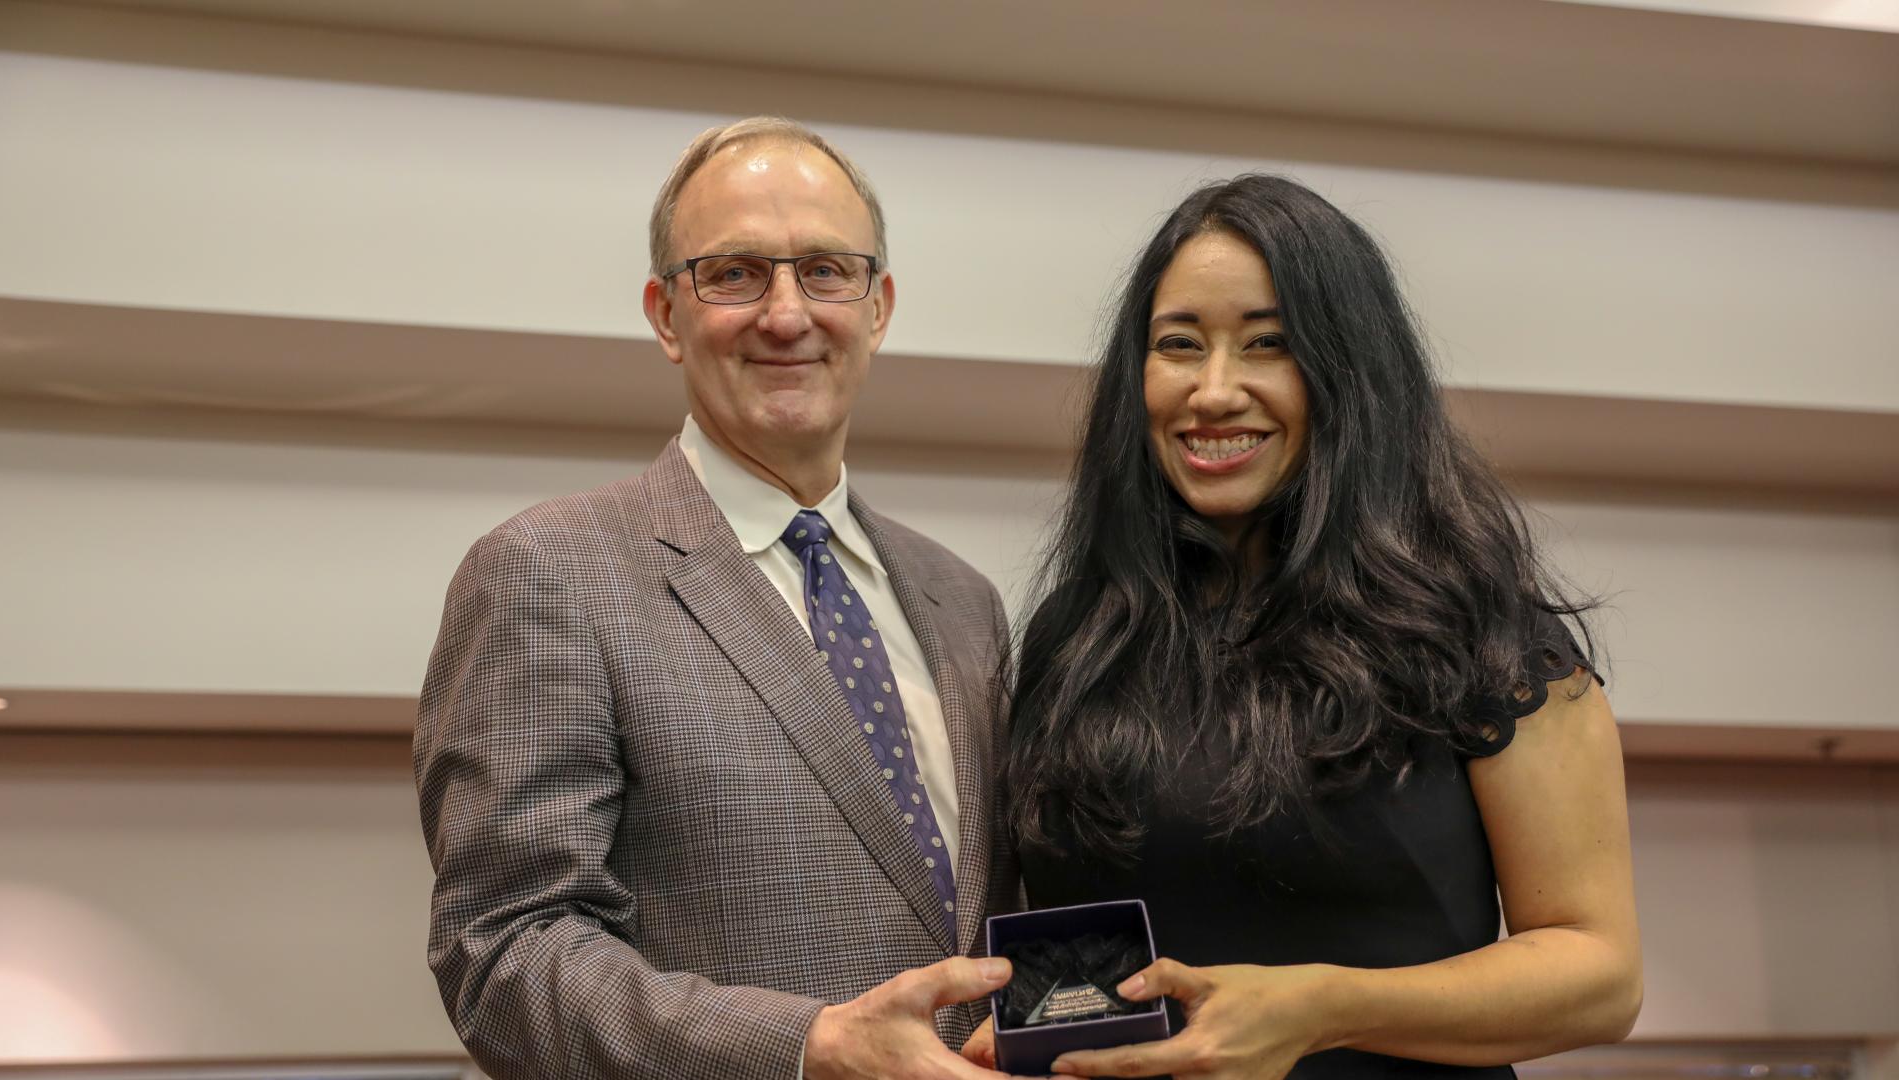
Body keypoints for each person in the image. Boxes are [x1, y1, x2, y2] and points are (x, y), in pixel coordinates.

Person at [965, 174, 1642, 1078]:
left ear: (1346, 372)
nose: (1212, 391)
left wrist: (1322, 1008)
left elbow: (1600, 976)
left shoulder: (1480, 630)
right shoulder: (1081, 640)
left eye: (1268, 345)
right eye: (1178, 345)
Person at [414, 117, 1020, 1080]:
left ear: (879, 307)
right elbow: (504, 954)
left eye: (825, 270)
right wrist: (808, 1048)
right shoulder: (546, 573)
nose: (787, 314)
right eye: (735, 274)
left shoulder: (965, 602)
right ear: (665, 314)